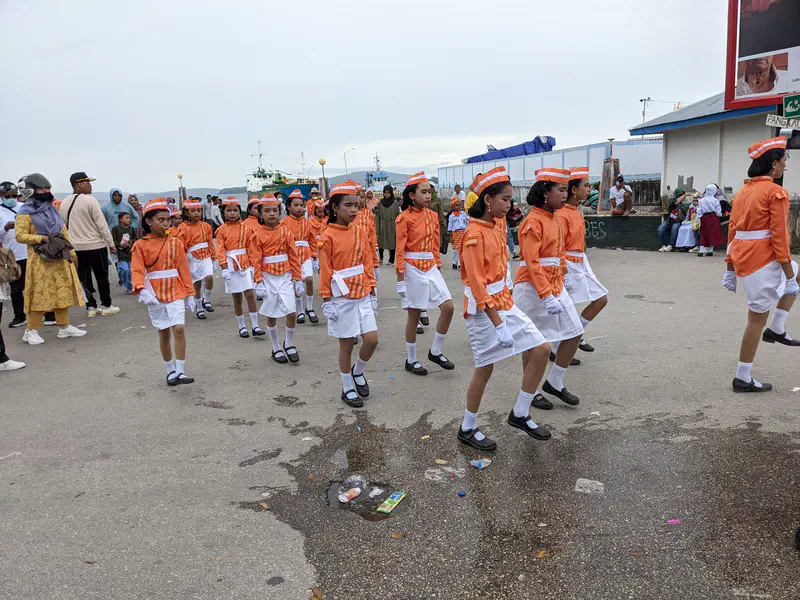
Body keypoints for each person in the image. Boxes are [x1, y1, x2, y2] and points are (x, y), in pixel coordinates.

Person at [457, 167, 551, 451]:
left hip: (504, 303)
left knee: (541, 349)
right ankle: (467, 427)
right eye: (505, 199)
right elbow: (477, 286)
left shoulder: (496, 225)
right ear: (488, 200)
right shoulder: (472, 236)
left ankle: (520, 412)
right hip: (484, 311)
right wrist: (498, 324)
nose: (510, 204)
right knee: (484, 369)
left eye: (511, 199)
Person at [722, 136, 799, 393]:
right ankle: (742, 377)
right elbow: (779, 237)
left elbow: (732, 231)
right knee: (756, 320)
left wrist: (730, 267)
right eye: (785, 160)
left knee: (797, 276)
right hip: (763, 261)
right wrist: (787, 273)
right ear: (774, 164)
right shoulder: (776, 192)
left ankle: (777, 328)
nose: (786, 164)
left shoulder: (745, 190)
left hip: (745, 257)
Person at [514, 168, 585, 408]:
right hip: (532, 289)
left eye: (567, 190)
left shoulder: (556, 218)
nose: (566, 195)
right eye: (561, 190)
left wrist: (566, 276)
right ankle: (530, 390)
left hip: (556, 285)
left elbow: (560, 252)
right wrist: (545, 295)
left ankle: (555, 381)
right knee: (533, 343)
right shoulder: (532, 222)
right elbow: (532, 263)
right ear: (546, 193)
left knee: (574, 332)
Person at [318, 181, 379, 408]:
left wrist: (372, 292)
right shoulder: (327, 237)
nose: (353, 210)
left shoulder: (361, 231)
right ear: (334, 207)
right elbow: (325, 270)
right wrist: (326, 299)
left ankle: (358, 370)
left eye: (356, 205)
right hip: (341, 296)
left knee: (371, 339)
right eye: (348, 206)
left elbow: (367, 263)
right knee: (346, 345)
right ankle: (346, 387)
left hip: (362, 291)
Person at [15, 173, 87, 345]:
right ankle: (30, 331)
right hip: (40, 260)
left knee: (61, 290)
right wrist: (41, 238)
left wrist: (72, 251)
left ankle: (64, 326)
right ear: (31, 190)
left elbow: (63, 231)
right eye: (42, 188)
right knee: (40, 295)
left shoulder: (52, 209)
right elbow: (19, 236)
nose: (46, 191)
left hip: (59, 257)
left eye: (48, 188)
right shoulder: (25, 212)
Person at [395, 172, 455, 375]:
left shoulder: (433, 215)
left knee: (448, 307)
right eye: (424, 192)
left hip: (430, 265)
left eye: (430, 192)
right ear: (412, 195)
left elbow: (435, 244)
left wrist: (437, 265)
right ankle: (411, 359)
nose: (428, 196)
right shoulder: (403, 218)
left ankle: (435, 351)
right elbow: (400, 250)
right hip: (412, 267)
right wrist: (400, 279)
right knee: (414, 314)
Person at [132, 199, 195, 386]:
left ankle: (181, 371)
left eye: (168, 219)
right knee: (164, 332)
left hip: (175, 287)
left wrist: (190, 293)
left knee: (179, 328)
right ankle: (170, 370)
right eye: (161, 220)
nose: (166, 223)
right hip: (155, 292)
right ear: (149, 221)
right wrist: (141, 290)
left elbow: (183, 268)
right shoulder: (140, 245)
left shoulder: (176, 243)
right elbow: (137, 269)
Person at [560, 167, 609, 353]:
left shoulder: (575, 210)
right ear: (574, 189)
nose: (589, 189)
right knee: (569, 308)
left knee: (600, 299)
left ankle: (574, 337)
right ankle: (563, 346)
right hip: (569, 265)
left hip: (580, 262)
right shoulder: (562, 214)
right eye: (586, 186)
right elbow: (558, 247)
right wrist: (564, 273)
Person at [60, 172, 120, 317]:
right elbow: (101, 224)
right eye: (88, 182)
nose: (90, 185)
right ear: (79, 184)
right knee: (101, 276)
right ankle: (106, 304)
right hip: (95, 245)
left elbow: (65, 225)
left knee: (84, 277)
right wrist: (111, 243)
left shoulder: (64, 203)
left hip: (76, 246)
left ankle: (91, 306)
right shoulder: (90, 200)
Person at [255, 195, 304, 364]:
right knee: (272, 312)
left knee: (291, 311)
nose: (271, 214)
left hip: (285, 276)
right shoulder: (257, 234)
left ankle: (289, 342)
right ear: (260, 214)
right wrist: (258, 281)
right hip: (268, 277)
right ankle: (275, 346)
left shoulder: (286, 232)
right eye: (267, 211)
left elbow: (293, 256)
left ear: (280, 212)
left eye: (275, 210)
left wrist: (298, 279)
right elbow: (255, 260)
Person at [215, 196, 264, 338]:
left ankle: (255, 325)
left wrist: (255, 265)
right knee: (237, 297)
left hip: (245, 263)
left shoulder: (246, 228)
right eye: (228, 210)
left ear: (239, 211)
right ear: (223, 213)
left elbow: (251, 247)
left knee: (250, 294)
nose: (232, 213)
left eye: (235, 210)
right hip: (231, 265)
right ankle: (241, 326)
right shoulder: (221, 230)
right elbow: (220, 250)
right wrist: (224, 268)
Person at [283, 189, 319, 324]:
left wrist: (314, 256)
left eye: (302, 205)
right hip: (291, 255)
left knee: (309, 280)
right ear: (288, 207)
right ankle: (300, 311)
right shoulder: (284, 222)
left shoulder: (308, 222)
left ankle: (309, 308)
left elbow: (312, 239)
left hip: (306, 253)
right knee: (296, 282)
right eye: (296, 205)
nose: (299, 208)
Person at [175, 200, 215, 319]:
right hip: (192, 258)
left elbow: (210, 243)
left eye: (198, 210)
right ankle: (199, 307)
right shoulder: (183, 227)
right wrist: (185, 258)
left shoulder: (206, 226)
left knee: (209, 277)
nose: (196, 213)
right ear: (187, 213)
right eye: (193, 211)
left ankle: (206, 300)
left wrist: (213, 258)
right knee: (196, 284)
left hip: (205, 256)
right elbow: (180, 245)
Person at [0, 181, 29, 328]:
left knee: (35, 285)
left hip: (29, 253)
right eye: (8, 196)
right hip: (12, 257)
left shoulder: (23, 207)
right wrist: (5, 228)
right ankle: (19, 316)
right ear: (1, 196)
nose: (11, 198)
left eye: (14, 195)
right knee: (16, 289)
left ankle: (45, 313)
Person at [696, 184, 726, 257]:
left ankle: (701, 250)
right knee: (713, 234)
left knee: (703, 234)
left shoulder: (701, 200)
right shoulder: (716, 200)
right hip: (713, 218)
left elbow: (699, 211)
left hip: (704, 218)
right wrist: (720, 215)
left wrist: (697, 220)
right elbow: (718, 212)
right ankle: (710, 250)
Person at [111, 211, 136, 293]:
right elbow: (112, 240)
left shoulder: (132, 229)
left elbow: (135, 238)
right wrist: (120, 245)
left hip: (130, 252)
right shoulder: (116, 228)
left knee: (131, 271)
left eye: (129, 218)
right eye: (126, 218)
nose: (128, 220)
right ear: (120, 219)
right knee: (125, 270)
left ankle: (130, 286)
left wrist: (130, 242)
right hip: (121, 253)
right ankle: (128, 285)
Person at [375, 184, 400, 265]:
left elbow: (398, 215)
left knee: (392, 243)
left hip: (392, 226)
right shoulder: (380, 203)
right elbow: (378, 216)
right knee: (381, 243)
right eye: (385, 192)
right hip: (383, 226)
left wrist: (398, 228)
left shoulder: (395, 203)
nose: (387, 194)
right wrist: (377, 229)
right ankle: (381, 259)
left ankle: (391, 260)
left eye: (388, 193)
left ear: (391, 193)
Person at [447, 195, 468, 269]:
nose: (458, 206)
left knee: (462, 249)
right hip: (455, 234)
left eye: (459, 205)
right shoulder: (451, 216)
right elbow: (450, 228)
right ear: (453, 207)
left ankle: (460, 264)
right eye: (456, 205)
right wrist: (451, 237)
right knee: (456, 250)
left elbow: (467, 222)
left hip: (463, 233)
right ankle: (454, 262)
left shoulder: (463, 214)